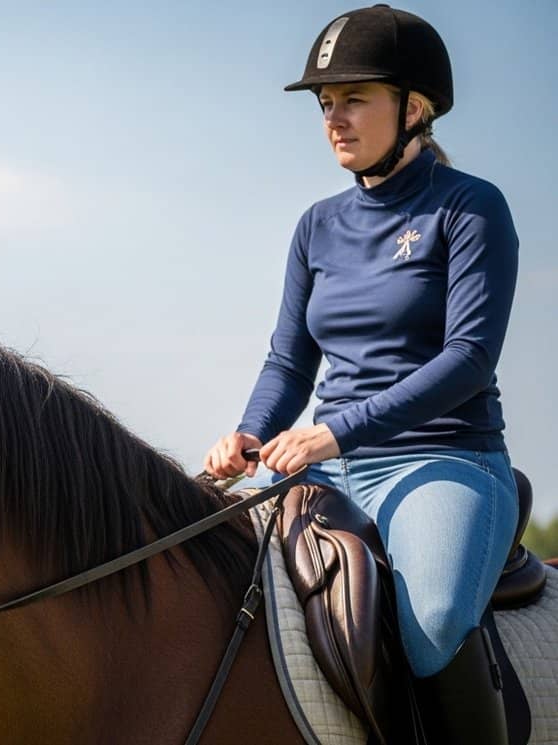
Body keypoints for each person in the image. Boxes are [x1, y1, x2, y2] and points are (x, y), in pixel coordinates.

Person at [202, 5, 520, 743]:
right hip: (325, 463)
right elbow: (290, 359)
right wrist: (251, 433)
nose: (333, 118)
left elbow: (469, 359)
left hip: (446, 458)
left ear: (414, 108)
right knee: (207, 576)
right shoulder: (316, 225)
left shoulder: (471, 208)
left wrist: (332, 433)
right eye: (324, 103)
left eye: (353, 98)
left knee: (435, 616)